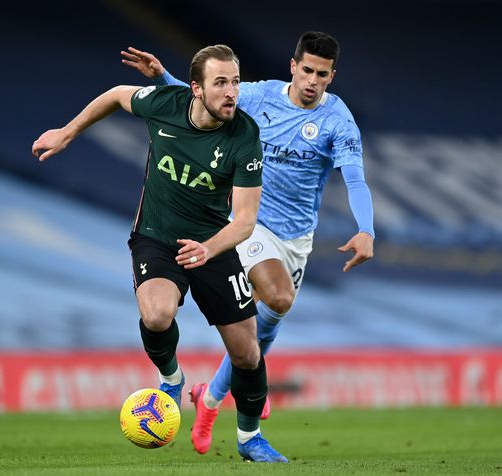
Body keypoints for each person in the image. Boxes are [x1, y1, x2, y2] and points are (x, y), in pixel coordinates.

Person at [122, 31, 375, 455]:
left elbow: (355, 178)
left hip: (296, 236)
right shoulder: (259, 96)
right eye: (307, 70)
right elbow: (202, 98)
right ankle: (244, 425)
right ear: (293, 67)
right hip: (247, 223)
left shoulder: (338, 121)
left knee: (265, 323)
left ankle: (212, 398)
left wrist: (365, 228)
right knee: (276, 296)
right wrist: (163, 76)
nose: (313, 80)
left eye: (323, 74)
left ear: (332, 77)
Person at [32, 44, 288, 463]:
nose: (231, 93)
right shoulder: (165, 105)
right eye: (220, 83)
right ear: (196, 89)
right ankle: (171, 377)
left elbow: (243, 221)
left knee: (246, 352)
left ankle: (249, 438)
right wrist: (67, 132)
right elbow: (116, 94)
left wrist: (208, 248)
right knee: (156, 315)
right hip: (157, 238)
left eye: (236, 83)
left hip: (213, 246)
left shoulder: (244, 134)